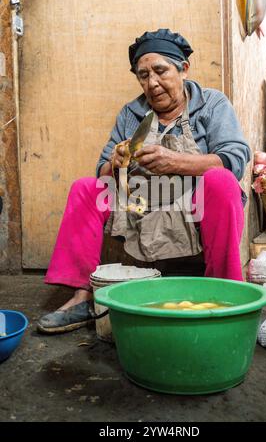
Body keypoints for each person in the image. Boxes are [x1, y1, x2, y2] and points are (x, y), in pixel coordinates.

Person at [37, 29, 251, 334]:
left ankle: (226, 292)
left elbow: (234, 159)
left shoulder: (211, 103)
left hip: (192, 201)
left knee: (221, 181)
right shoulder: (132, 112)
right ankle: (83, 297)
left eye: (161, 71)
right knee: (86, 188)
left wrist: (174, 161)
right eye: (143, 75)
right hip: (141, 203)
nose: (152, 83)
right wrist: (117, 160)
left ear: (183, 68)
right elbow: (101, 170)